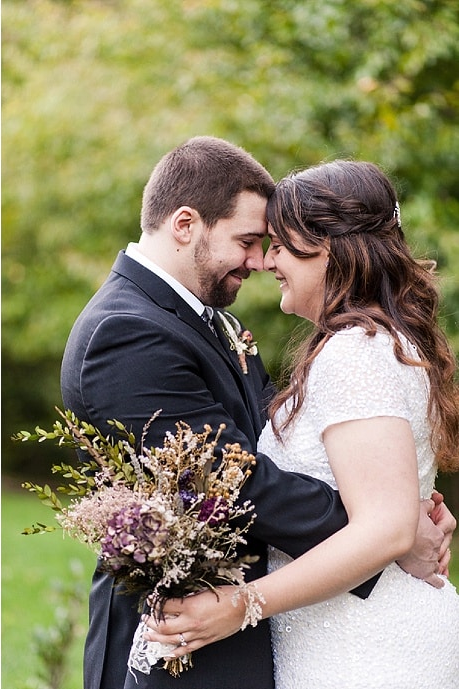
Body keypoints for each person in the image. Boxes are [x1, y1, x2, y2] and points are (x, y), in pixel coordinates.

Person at [59, 136, 455, 689]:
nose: (260, 260)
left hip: (295, 633)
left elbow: (269, 450)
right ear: (185, 225)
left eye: (272, 245)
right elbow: (226, 481)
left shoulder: (216, 321)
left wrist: (387, 517)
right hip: (180, 642)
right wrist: (392, 527)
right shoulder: (126, 331)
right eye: (248, 241)